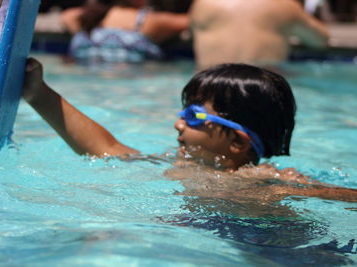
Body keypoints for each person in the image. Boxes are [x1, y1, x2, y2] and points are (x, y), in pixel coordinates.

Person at [22, 58, 357, 208]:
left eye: (193, 116)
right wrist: (39, 95)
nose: (177, 123)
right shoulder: (185, 165)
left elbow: (343, 196)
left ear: (238, 141)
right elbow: (106, 147)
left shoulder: (265, 180)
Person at [190, 0, 329, 70]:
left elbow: (192, 34)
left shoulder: (202, 4)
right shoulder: (284, 5)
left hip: (208, 85)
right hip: (263, 87)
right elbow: (320, 40)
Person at [61, 0, 189, 63]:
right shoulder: (149, 21)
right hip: (131, 83)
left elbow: (67, 16)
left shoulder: (85, 18)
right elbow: (195, 19)